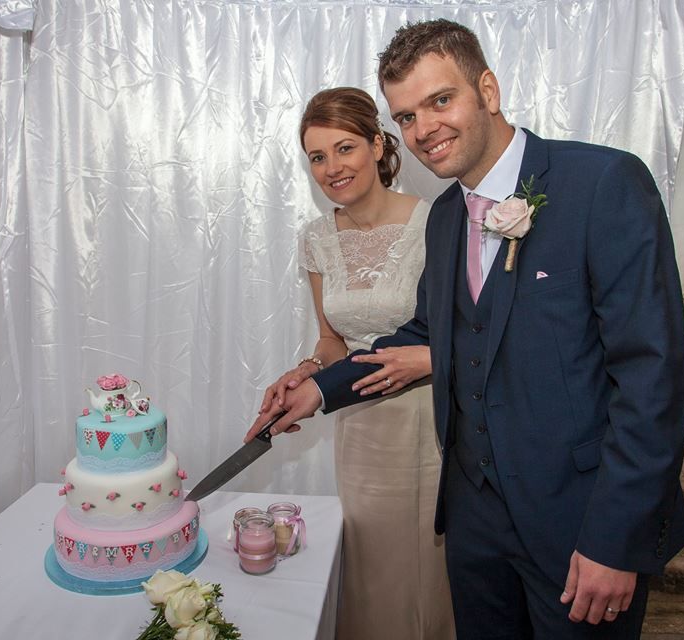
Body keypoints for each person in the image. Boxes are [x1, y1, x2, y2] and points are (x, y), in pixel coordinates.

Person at [248, 19, 684, 639]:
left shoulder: (603, 184)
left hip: (579, 523)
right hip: (474, 524)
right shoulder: (446, 219)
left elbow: (653, 380)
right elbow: (425, 332)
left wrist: (616, 540)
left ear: (487, 89)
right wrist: (317, 391)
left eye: (440, 100)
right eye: (405, 116)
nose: (424, 128)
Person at [255, 87, 454, 639]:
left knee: (430, 566)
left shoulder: (436, 223)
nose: (332, 168)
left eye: (344, 148)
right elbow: (331, 341)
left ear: (376, 144)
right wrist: (305, 371)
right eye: (317, 157)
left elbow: (460, 333)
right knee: (373, 567)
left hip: (429, 423)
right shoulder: (317, 239)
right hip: (359, 425)